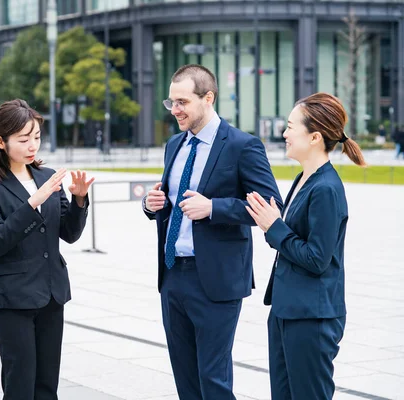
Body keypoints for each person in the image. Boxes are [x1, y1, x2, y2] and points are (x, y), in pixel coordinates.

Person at [143, 64, 282, 399]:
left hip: (217, 282)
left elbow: (271, 204)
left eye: (182, 102)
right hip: (173, 275)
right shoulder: (174, 145)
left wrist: (214, 208)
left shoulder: (242, 145)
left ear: (208, 98)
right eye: (171, 102)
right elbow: (170, 202)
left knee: (213, 378)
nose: (174, 110)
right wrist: (151, 205)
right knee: (185, 378)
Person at [0, 99, 93, 399]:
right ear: (1, 141)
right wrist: (33, 202)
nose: (32, 145)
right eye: (23, 139)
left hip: (52, 293)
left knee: (47, 385)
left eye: (36, 137)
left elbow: (69, 234)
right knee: (20, 385)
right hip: (13, 300)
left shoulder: (46, 176)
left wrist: (78, 200)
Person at [245, 92, 366, 399]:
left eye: (290, 126)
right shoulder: (304, 178)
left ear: (314, 137)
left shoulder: (326, 188)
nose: (284, 133)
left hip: (311, 318)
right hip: (288, 310)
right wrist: (273, 225)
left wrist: (275, 227)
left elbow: (317, 259)